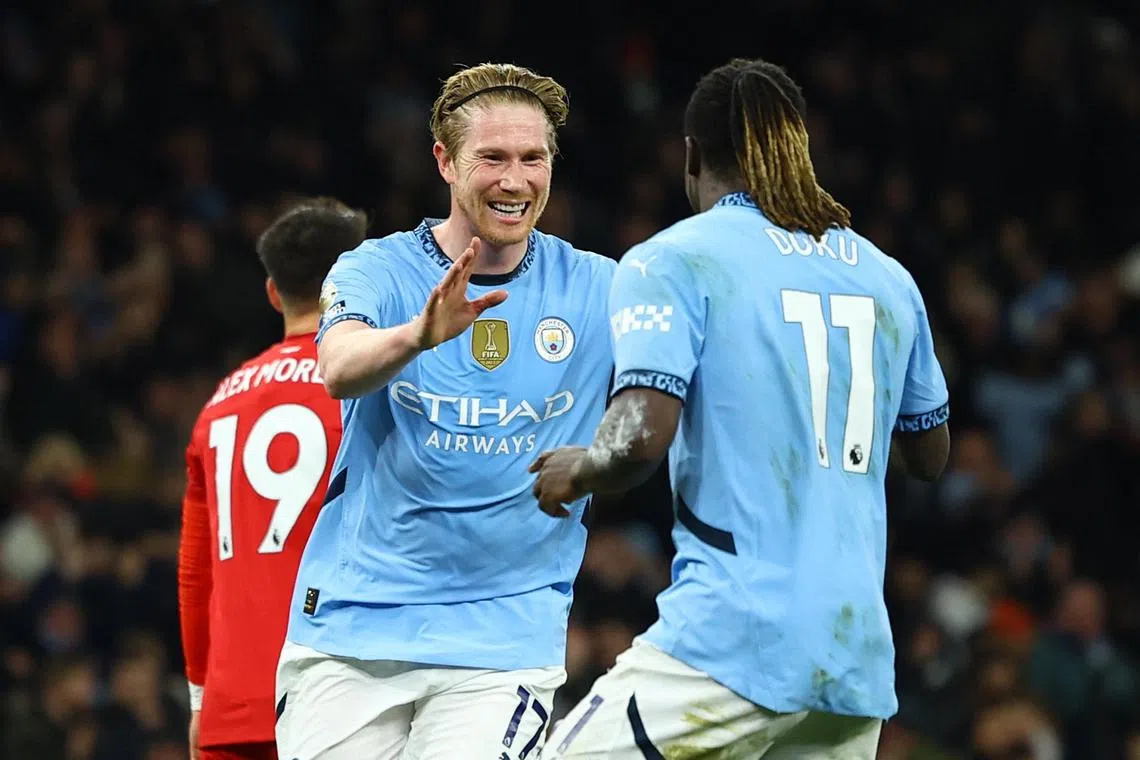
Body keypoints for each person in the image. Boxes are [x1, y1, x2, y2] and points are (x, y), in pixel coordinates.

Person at [532, 57, 951, 758]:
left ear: (691, 156)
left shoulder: (674, 259)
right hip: (852, 665)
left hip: (730, 644)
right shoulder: (888, 277)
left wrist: (580, 468)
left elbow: (640, 436)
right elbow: (930, 455)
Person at [274, 63, 616, 759]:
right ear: (445, 161)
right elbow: (338, 369)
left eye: (532, 158)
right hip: (353, 627)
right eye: (491, 157)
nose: (514, 180)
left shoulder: (599, 288)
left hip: (503, 640)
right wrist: (418, 336)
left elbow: (680, 396)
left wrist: (607, 459)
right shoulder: (376, 269)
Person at [178, 197, 368, 760]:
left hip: (233, 709)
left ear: (271, 293)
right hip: (344, 698)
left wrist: (199, 699)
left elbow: (195, 571)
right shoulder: (368, 389)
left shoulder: (218, 405)